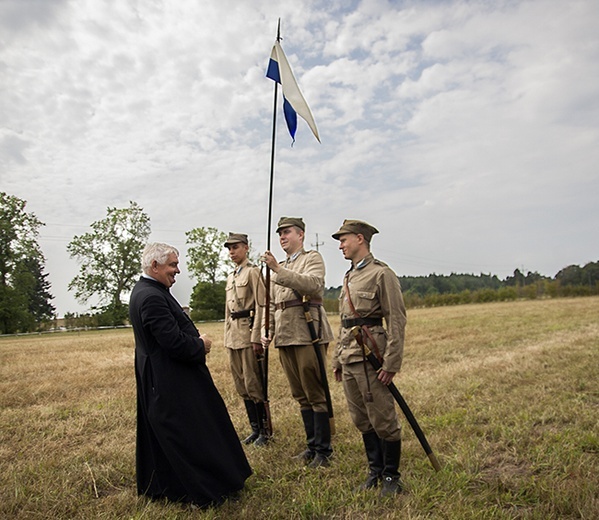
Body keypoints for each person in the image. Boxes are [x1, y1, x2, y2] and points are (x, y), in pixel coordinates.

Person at [129, 242, 252, 508]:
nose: (177, 270)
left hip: (164, 376)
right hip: (171, 380)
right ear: (155, 266)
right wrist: (201, 344)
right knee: (190, 435)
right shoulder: (151, 296)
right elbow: (173, 343)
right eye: (172, 264)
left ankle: (170, 485)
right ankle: (203, 489)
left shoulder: (149, 290)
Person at [331, 220, 407, 496]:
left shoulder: (381, 274)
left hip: (372, 357)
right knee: (361, 419)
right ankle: (375, 470)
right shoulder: (349, 277)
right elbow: (345, 322)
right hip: (350, 357)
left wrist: (391, 363)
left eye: (344, 240)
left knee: (383, 418)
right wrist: (337, 360)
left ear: (360, 239)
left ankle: (391, 476)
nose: (340, 245)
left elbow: (396, 320)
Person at [261, 217, 335, 468]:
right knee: (300, 394)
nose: (282, 237)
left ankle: (324, 451)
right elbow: (272, 304)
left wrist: (279, 271)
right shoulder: (278, 266)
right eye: (280, 233)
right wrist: (266, 329)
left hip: (307, 332)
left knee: (315, 391)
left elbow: (313, 285)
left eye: (287, 232)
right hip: (285, 334)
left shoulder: (311, 259)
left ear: (301, 235)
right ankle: (312, 446)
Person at [223, 232, 269, 447]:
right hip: (234, 335)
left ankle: (265, 430)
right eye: (229, 248)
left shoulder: (253, 272)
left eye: (236, 247)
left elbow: (261, 305)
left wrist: (257, 336)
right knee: (241, 384)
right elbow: (227, 311)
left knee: (253, 382)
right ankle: (254, 428)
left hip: (248, 332)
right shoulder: (231, 276)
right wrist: (226, 337)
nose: (232, 252)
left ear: (246, 248)